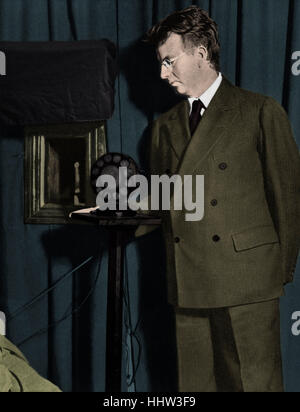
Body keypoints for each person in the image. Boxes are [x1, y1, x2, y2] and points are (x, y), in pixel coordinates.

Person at [138, 5, 300, 392]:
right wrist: (111, 215)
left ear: (202, 54)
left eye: (170, 61)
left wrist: (275, 272)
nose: (163, 73)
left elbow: (289, 198)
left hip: (247, 283)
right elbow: (164, 204)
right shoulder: (163, 129)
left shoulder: (259, 111)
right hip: (189, 282)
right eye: (160, 63)